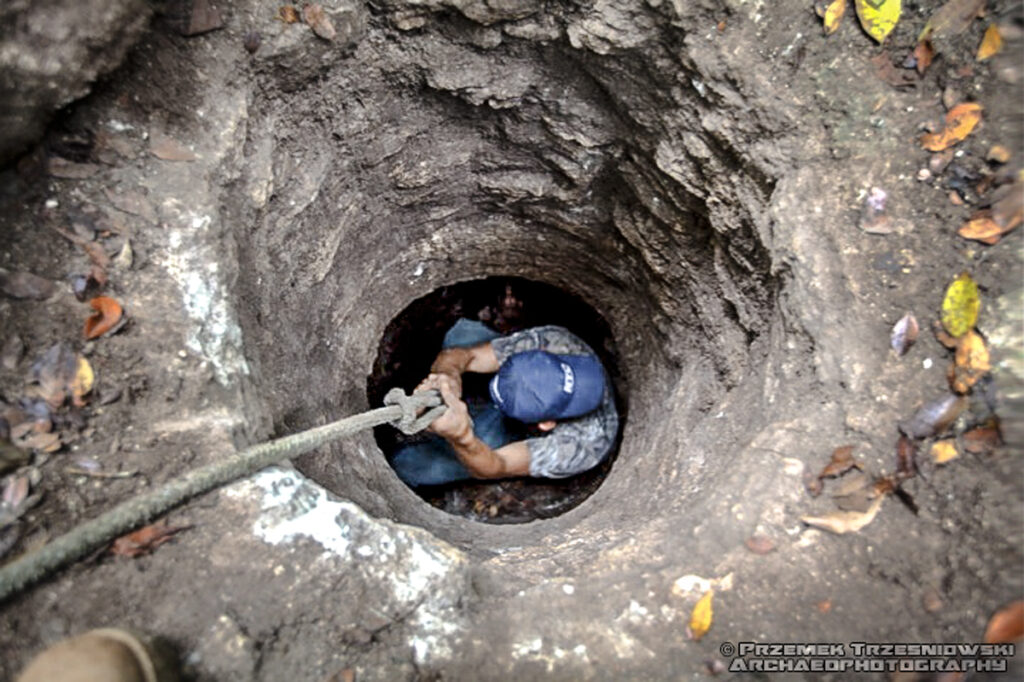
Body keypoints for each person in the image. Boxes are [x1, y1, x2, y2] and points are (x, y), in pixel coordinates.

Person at [390, 319, 619, 486]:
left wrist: (461, 438)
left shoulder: (583, 446)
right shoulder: (546, 349)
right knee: (462, 335)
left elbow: (498, 465)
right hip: (512, 411)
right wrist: (448, 376)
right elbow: (458, 356)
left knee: (409, 467)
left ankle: (446, 433)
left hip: (520, 428)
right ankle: (457, 415)